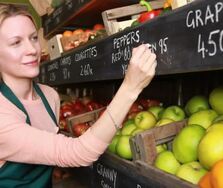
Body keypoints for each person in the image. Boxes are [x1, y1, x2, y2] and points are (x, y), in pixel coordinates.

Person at [0, 3, 157, 188]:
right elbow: (79, 153)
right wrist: (130, 88)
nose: (32, 50)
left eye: (33, 38)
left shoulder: (50, 96)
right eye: (16, 42)